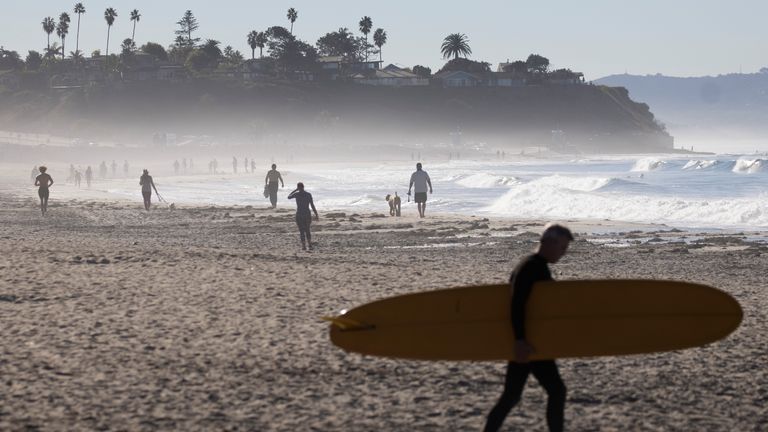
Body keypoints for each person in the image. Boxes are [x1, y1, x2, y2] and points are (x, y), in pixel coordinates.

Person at [484, 223, 574, 432]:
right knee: (557, 391)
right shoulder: (531, 267)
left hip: (530, 341)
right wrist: (520, 341)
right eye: (562, 247)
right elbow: (516, 304)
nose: (563, 253)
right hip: (529, 344)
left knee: (511, 396)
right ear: (549, 243)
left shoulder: (535, 266)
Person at [287, 182, 319, 251]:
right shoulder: (308, 194)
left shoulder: (296, 194)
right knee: (307, 230)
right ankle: (310, 244)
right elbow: (312, 205)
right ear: (303, 187)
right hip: (307, 214)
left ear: (298, 187)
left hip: (299, 214)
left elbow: (288, 197)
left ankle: (304, 245)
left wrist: (295, 190)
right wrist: (316, 214)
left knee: (301, 231)